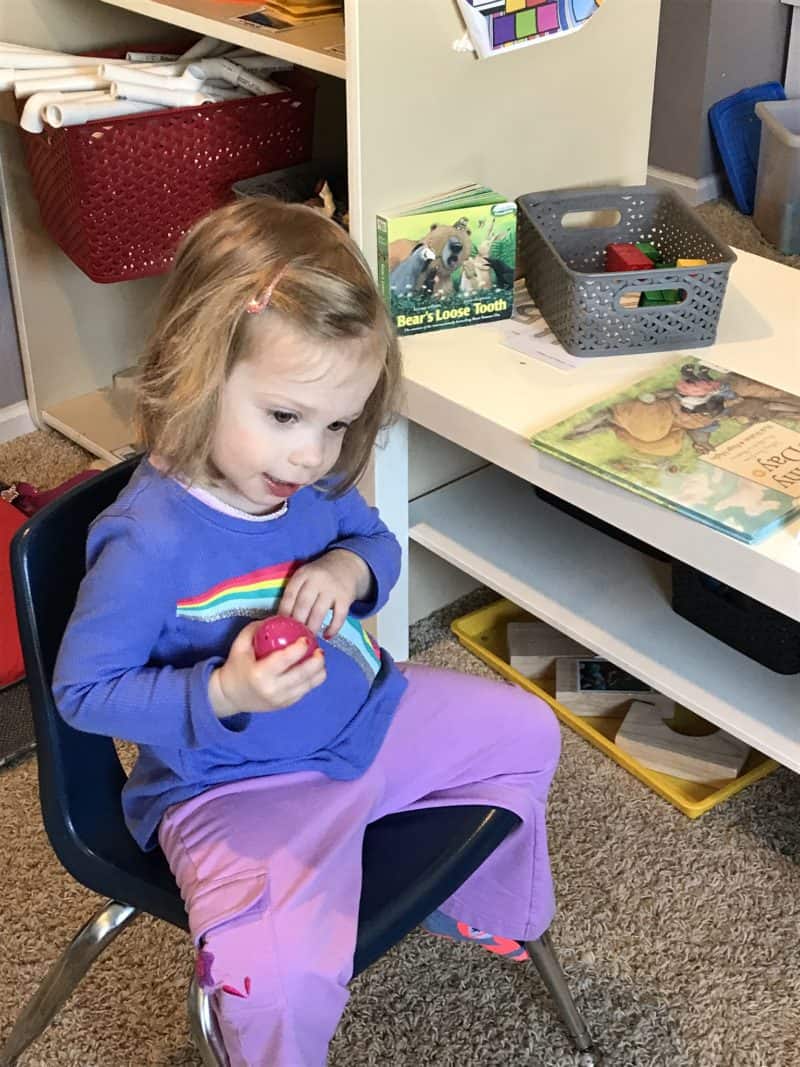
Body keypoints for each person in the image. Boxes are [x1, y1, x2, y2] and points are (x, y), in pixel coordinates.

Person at [53, 198, 561, 1067]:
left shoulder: (312, 486)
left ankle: (480, 906)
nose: (312, 455)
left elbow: (373, 541)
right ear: (195, 370)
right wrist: (223, 691)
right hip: (234, 786)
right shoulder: (151, 541)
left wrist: (349, 571)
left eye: (337, 423)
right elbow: (81, 692)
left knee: (527, 731)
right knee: (279, 984)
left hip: (366, 717)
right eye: (286, 417)